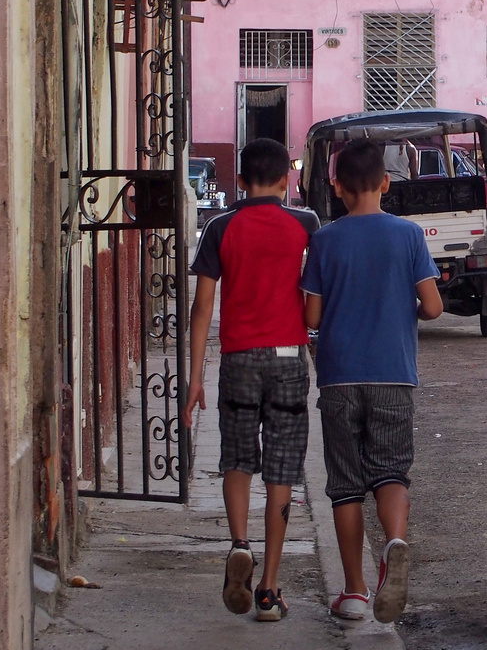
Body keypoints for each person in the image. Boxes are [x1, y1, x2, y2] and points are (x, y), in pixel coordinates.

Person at [301, 140, 443, 623]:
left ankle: (355, 593)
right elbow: (434, 307)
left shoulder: (324, 239)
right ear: (386, 182)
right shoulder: (408, 236)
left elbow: (312, 314)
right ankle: (396, 543)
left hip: (339, 376)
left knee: (345, 485)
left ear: (337, 187)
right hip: (394, 374)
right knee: (391, 472)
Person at [185, 138, 319, 623]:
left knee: (238, 458)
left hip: (238, 358)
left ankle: (239, 543)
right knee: (282, 468)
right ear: (287, 180)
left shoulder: (220, 227)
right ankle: (268, 589)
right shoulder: (305, 224)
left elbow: (202, 308)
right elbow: (315, 295)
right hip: (287, 357)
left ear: (239, 180)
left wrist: (195, 377)